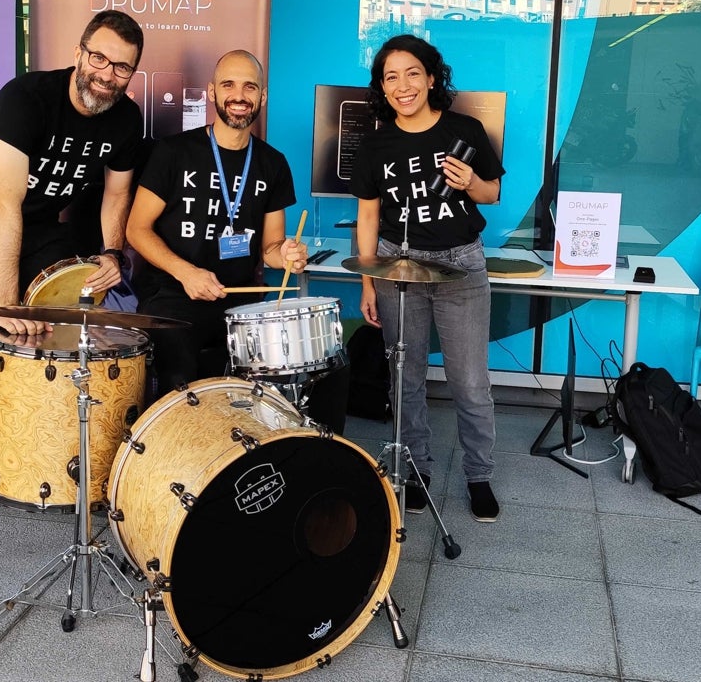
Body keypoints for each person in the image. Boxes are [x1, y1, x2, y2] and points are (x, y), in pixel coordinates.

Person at [0, 10, 147, 429]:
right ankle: (2, 461)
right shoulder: (27, 98)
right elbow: (4, 206)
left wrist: (113, 253)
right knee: (1, 340)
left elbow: (117, 194)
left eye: (122, 67)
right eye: (99, 58)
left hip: (39, 224)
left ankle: (56, 440)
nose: (107, 74)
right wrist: (7, 304)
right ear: (78, 53)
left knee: (65, 324)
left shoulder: (125, 120)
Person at [126, 49, 348, 434]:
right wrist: (186, 272)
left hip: (242, 305)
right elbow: (136, 229)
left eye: (250, 86)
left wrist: (288, 253)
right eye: (228, 84)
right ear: (212, 92)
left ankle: (301, 461)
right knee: (180, 370)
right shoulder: (173, 152)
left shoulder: (272, 163)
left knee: (323, 366)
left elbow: (270, 249)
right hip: (176, 299)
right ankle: (177, 464)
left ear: (262, 97)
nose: (239, 95)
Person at [349, 33, 504, 522]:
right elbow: (368, 217)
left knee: (470, 382)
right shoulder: (374, 143)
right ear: (382, 86)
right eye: (390, 77)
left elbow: (492, 194)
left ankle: (479, 476)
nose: (402, 85)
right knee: (406, 378)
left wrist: (471, 182)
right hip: (400, 264)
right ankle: (416, 471)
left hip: (460, 263)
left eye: (412, 73)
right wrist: (368, 282)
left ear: (431, 77)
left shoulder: (466, 129)